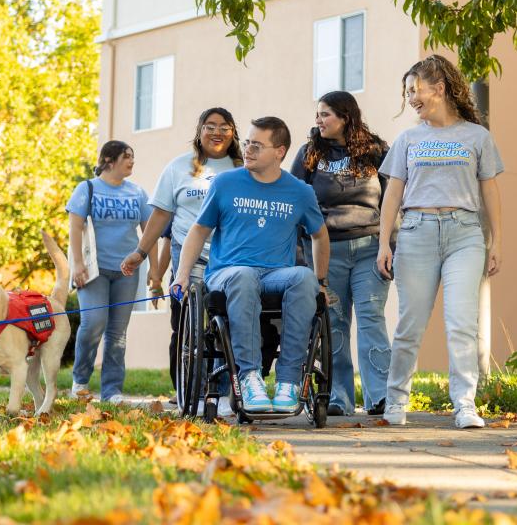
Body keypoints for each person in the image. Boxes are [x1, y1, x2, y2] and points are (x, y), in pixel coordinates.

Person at [377, 55, 503, 429]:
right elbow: (392, 194)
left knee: (462, 323)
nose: (412, 98)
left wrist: (497, 241)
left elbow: (490, 191)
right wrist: (385, 242)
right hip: (417, 232)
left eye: (416, 90)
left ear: (440, 88)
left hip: (465, 234)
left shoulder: (477, 137)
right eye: (408, 92)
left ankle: (465, 404)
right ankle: (397, 400)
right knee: (410, 324)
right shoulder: (409, 139)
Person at [172, 116, 330, 413]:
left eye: (257, 145)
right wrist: (182, 275)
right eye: (247, 143)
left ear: (279, 152)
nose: (247, 150)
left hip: (275, 275)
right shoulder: (225, 183)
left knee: (304, 278)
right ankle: (249, 377)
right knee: (244, 276)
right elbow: (198, 231)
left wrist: (320, 279)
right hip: (227, 273)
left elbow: (319, 235)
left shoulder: (299, 192)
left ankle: (288, 381)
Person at [120, 107, 243, 404]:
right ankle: (187, 389)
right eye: (210, 126)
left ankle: (222, 391)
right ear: (199, 131)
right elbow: (161, 213)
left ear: (234, 133)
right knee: (185, 324)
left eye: (224, 127)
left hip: (232, 257)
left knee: (228, 323)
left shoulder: (243, 168)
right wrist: (140, 252)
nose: (217, 132)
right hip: (188, 258)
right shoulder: (178, 168)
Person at [291, 91, 392, 417]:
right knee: (333, 322)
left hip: (369, 248)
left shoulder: (375, 150)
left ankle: (380, 396)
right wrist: (298, 254)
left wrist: (392, 244)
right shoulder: (309, 153)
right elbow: (293, 202)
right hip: (324, 251)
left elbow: (393, 199)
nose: (318, 121)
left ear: (346, 116)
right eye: (318, 114)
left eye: (325, 115)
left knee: (371, 319)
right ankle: (338, 397)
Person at [67, 141, 153, 403]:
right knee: (93, 323)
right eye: (127, 157)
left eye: (133, 156)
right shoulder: (88, 188)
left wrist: (154, 269)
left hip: (126, 273)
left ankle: (112, 391)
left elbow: (150, 231)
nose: (131, 162)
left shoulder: (137, 193)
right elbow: (75, 227)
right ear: (109, 160)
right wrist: (77, 264)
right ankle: (80, 381)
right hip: (94, 271)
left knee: (117, 334)